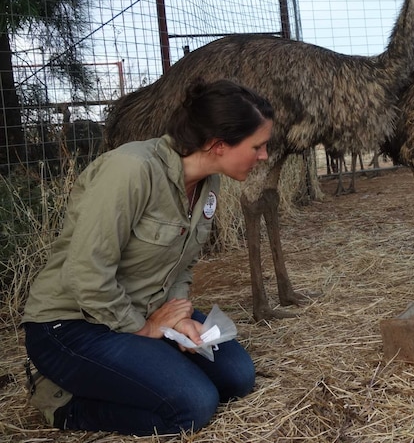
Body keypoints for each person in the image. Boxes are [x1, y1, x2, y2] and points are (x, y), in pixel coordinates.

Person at [21, 78, 274, 435]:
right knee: (192, 406)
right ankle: (64, 404)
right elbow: (87, 272)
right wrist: (145, 328)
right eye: (258, 146)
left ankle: (143, 367)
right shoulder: (131, 169)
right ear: (218, 144)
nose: (264, 155)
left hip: (143, 309)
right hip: (72, 324)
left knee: (237, 378)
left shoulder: (208, 183)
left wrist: (179, 316)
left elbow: (183, 266)